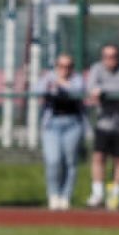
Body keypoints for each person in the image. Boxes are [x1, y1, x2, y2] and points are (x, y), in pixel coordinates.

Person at [86, 44, 119, 210]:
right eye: (106, 56)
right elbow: (90, 88)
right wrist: (97, 92)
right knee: (98, 157)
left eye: (113, 56)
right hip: (103, 123)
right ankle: (97, 193)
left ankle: (115, 193)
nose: (110, 60)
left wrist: (102, 92)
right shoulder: (96, 69)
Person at [35, 53, 85, 210]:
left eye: (69, 66)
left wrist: (60, 84)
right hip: (52, 124)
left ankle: (66, 196)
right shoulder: (48, 77)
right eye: (61, 66)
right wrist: (50, 82)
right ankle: (54, 194)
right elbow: (38, 90)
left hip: (72, 124)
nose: (65, 69)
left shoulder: (77, 78)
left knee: (70, 162)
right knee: (53, 160)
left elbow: (78, 91)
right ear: (56, 66)